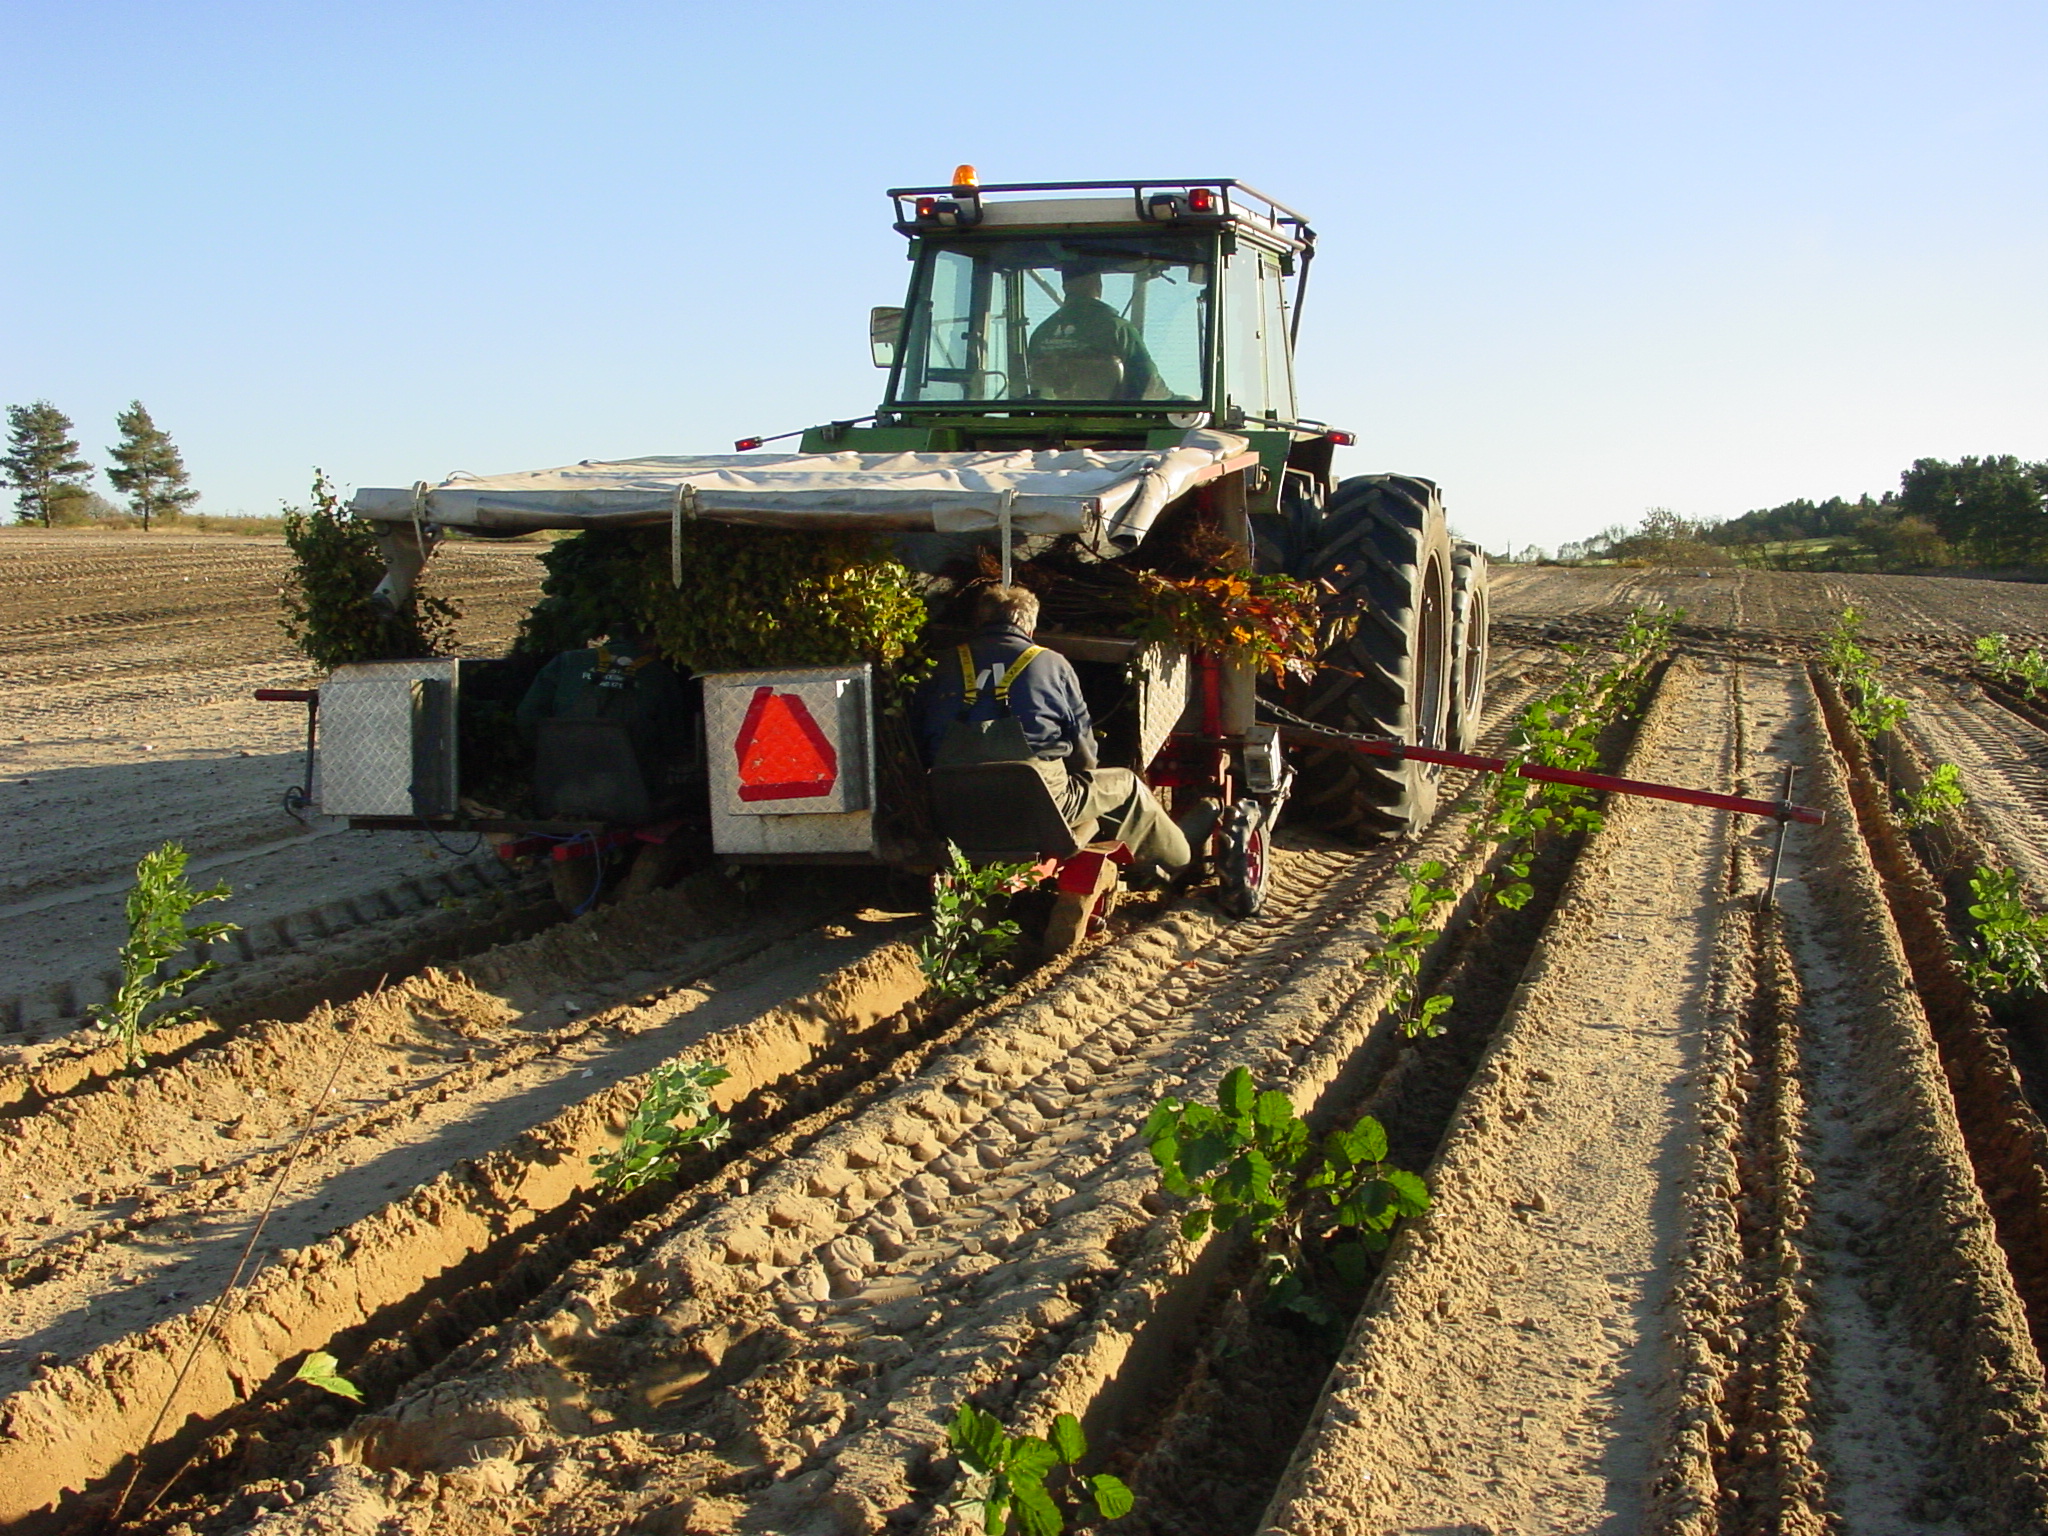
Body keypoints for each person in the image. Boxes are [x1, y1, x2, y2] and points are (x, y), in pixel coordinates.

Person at [917, 584, 1190, 874]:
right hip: (1039, 803)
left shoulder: (941, 663)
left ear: (979, 622)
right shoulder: (1050, 662)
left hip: (957, 804)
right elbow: (1082, 743)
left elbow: (919, 737)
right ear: (1029, 626)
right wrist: (1082, 774)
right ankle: (1178, 863)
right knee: (1126, 784)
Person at [1026, 266, 1160, 401]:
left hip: (1051, 419)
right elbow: (1150, 386)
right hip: (1112, 420)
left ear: (1064, 286)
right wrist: (1177, 401)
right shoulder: (1118, 329)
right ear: (1096, 283)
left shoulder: (1040, 334)